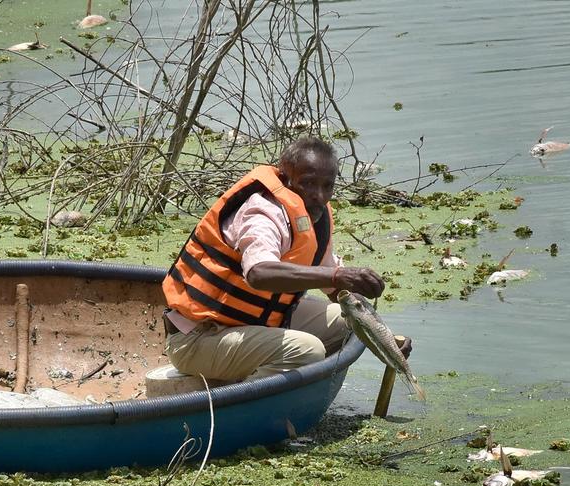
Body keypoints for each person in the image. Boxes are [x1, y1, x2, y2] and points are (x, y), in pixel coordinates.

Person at [162, 137, 408, 382]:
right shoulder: (262, 213)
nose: (319, 196)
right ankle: (245, 404)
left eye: (327, 186)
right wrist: (337, 276)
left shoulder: (313, 218)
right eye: (308, 183)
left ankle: (269, 379)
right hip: (199, 338)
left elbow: (334, 288)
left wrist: (385, 339)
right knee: (307, 350)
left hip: (255, 326)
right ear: (285, 177)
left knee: (350, 322)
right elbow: (259, 273)